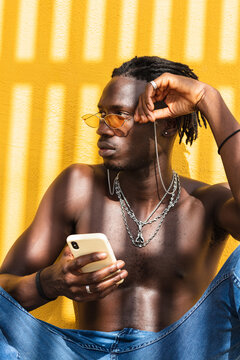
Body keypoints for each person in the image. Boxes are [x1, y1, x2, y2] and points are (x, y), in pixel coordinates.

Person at [0, 56, 240, 359]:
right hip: (80, 351)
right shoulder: (79, 185)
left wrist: (208, 98)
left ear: (166, 124)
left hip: (172, 351)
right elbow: (3, 294)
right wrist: (48, 282)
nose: (102, 128)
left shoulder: (206, 202)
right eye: (102, 114)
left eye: (118, 116)